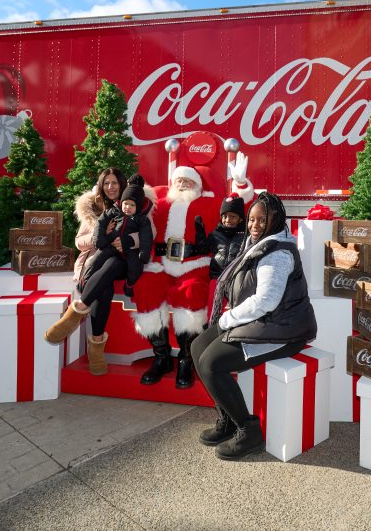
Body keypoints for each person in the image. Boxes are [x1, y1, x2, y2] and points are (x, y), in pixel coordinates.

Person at [191, 192, 318, 460]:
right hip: (261, 321)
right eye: (251, 219)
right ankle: (226, 417)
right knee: (197, 347)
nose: (255, 225)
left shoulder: (278, 252)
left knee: (212, 363)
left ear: (276, 220)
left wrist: (227, 318)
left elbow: (266, 301)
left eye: (262, 219)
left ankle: (248, 431)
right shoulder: (254, 245)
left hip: (282, 328)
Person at [132, 156, 254, 389]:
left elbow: (241, 206)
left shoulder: (209, 203)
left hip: (194, 263)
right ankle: (161, 357)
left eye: (188, 181)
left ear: (198, 184)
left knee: (190, 292)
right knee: (144, 287)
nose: (182, 184)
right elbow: (131, 203)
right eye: (178, 180)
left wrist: (240, 183)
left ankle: (186, 360)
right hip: (159, 262)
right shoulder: (159, 199)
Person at [45, 167, 144, 374]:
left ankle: (75, 313)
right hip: (94, 264)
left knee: (115, 264)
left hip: (124, 261)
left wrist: (125, 241)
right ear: (101, 185)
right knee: (104, 288)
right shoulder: (93, 208)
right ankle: (97, 346)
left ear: (122, 184)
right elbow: (79, 242)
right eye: (106, 183)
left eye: (114, 182)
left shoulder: (133, 203)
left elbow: (147, 234)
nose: (110, 187)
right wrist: (100, 236)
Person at [81, 174, 153, 299]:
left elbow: (147, 236)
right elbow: (100, 223)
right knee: (96, 260)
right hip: (109, 246)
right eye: (126, 204)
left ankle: (130, 285)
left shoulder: (141, 219)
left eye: (132, 205)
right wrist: (102, 238)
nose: (128, 208)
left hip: (129, 252)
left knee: (135, 266)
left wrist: (142, 252)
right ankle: (85, 281)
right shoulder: (113, 211)